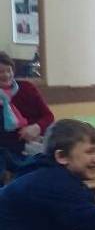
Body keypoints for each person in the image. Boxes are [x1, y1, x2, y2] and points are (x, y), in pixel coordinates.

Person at [0, 50, 54, 178]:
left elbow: (49, 117)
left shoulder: (27, 88)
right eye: (1, 72)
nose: (6, 75)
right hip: (8, 149)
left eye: (9, 70)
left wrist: (36, 127)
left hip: (34, 145)